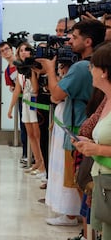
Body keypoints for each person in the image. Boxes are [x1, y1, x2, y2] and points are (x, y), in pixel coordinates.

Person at [37, 19, 106, 227]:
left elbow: (56, 94)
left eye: (74, 37)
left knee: (80, 180)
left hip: (80, 129)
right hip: (89, 127)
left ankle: (85, 225)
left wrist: (50, 70)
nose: (69, 40)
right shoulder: (88, 64)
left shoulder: (81, 67)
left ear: (88, 41)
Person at [72, 42, 111, 240]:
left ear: (104, 71)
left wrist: (96, 148)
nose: (90, 70)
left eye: (92, 66)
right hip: (101, 182)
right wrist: (87, 142)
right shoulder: (106, 100)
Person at [8, 42, 46, 174]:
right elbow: (17, 90)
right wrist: (10, 107)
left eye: (26, 50)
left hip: (34, 102)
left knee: (38, 134)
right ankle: (37, 161)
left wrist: (32, 73)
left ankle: (43, 164)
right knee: (30, 134)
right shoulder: (19, 71)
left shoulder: (34, 68)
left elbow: (35, 89)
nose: (24, 52)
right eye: (21, 50)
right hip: (25, 102)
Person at [0, 41, 28, 164]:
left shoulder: (23, 63)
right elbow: (13, 87)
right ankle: (26, 153)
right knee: (24, 128)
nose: (5, 52)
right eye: (2, 51)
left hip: (32, 98)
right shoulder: (7, 72)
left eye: (7, 49)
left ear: (11, 49)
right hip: (21, 100)